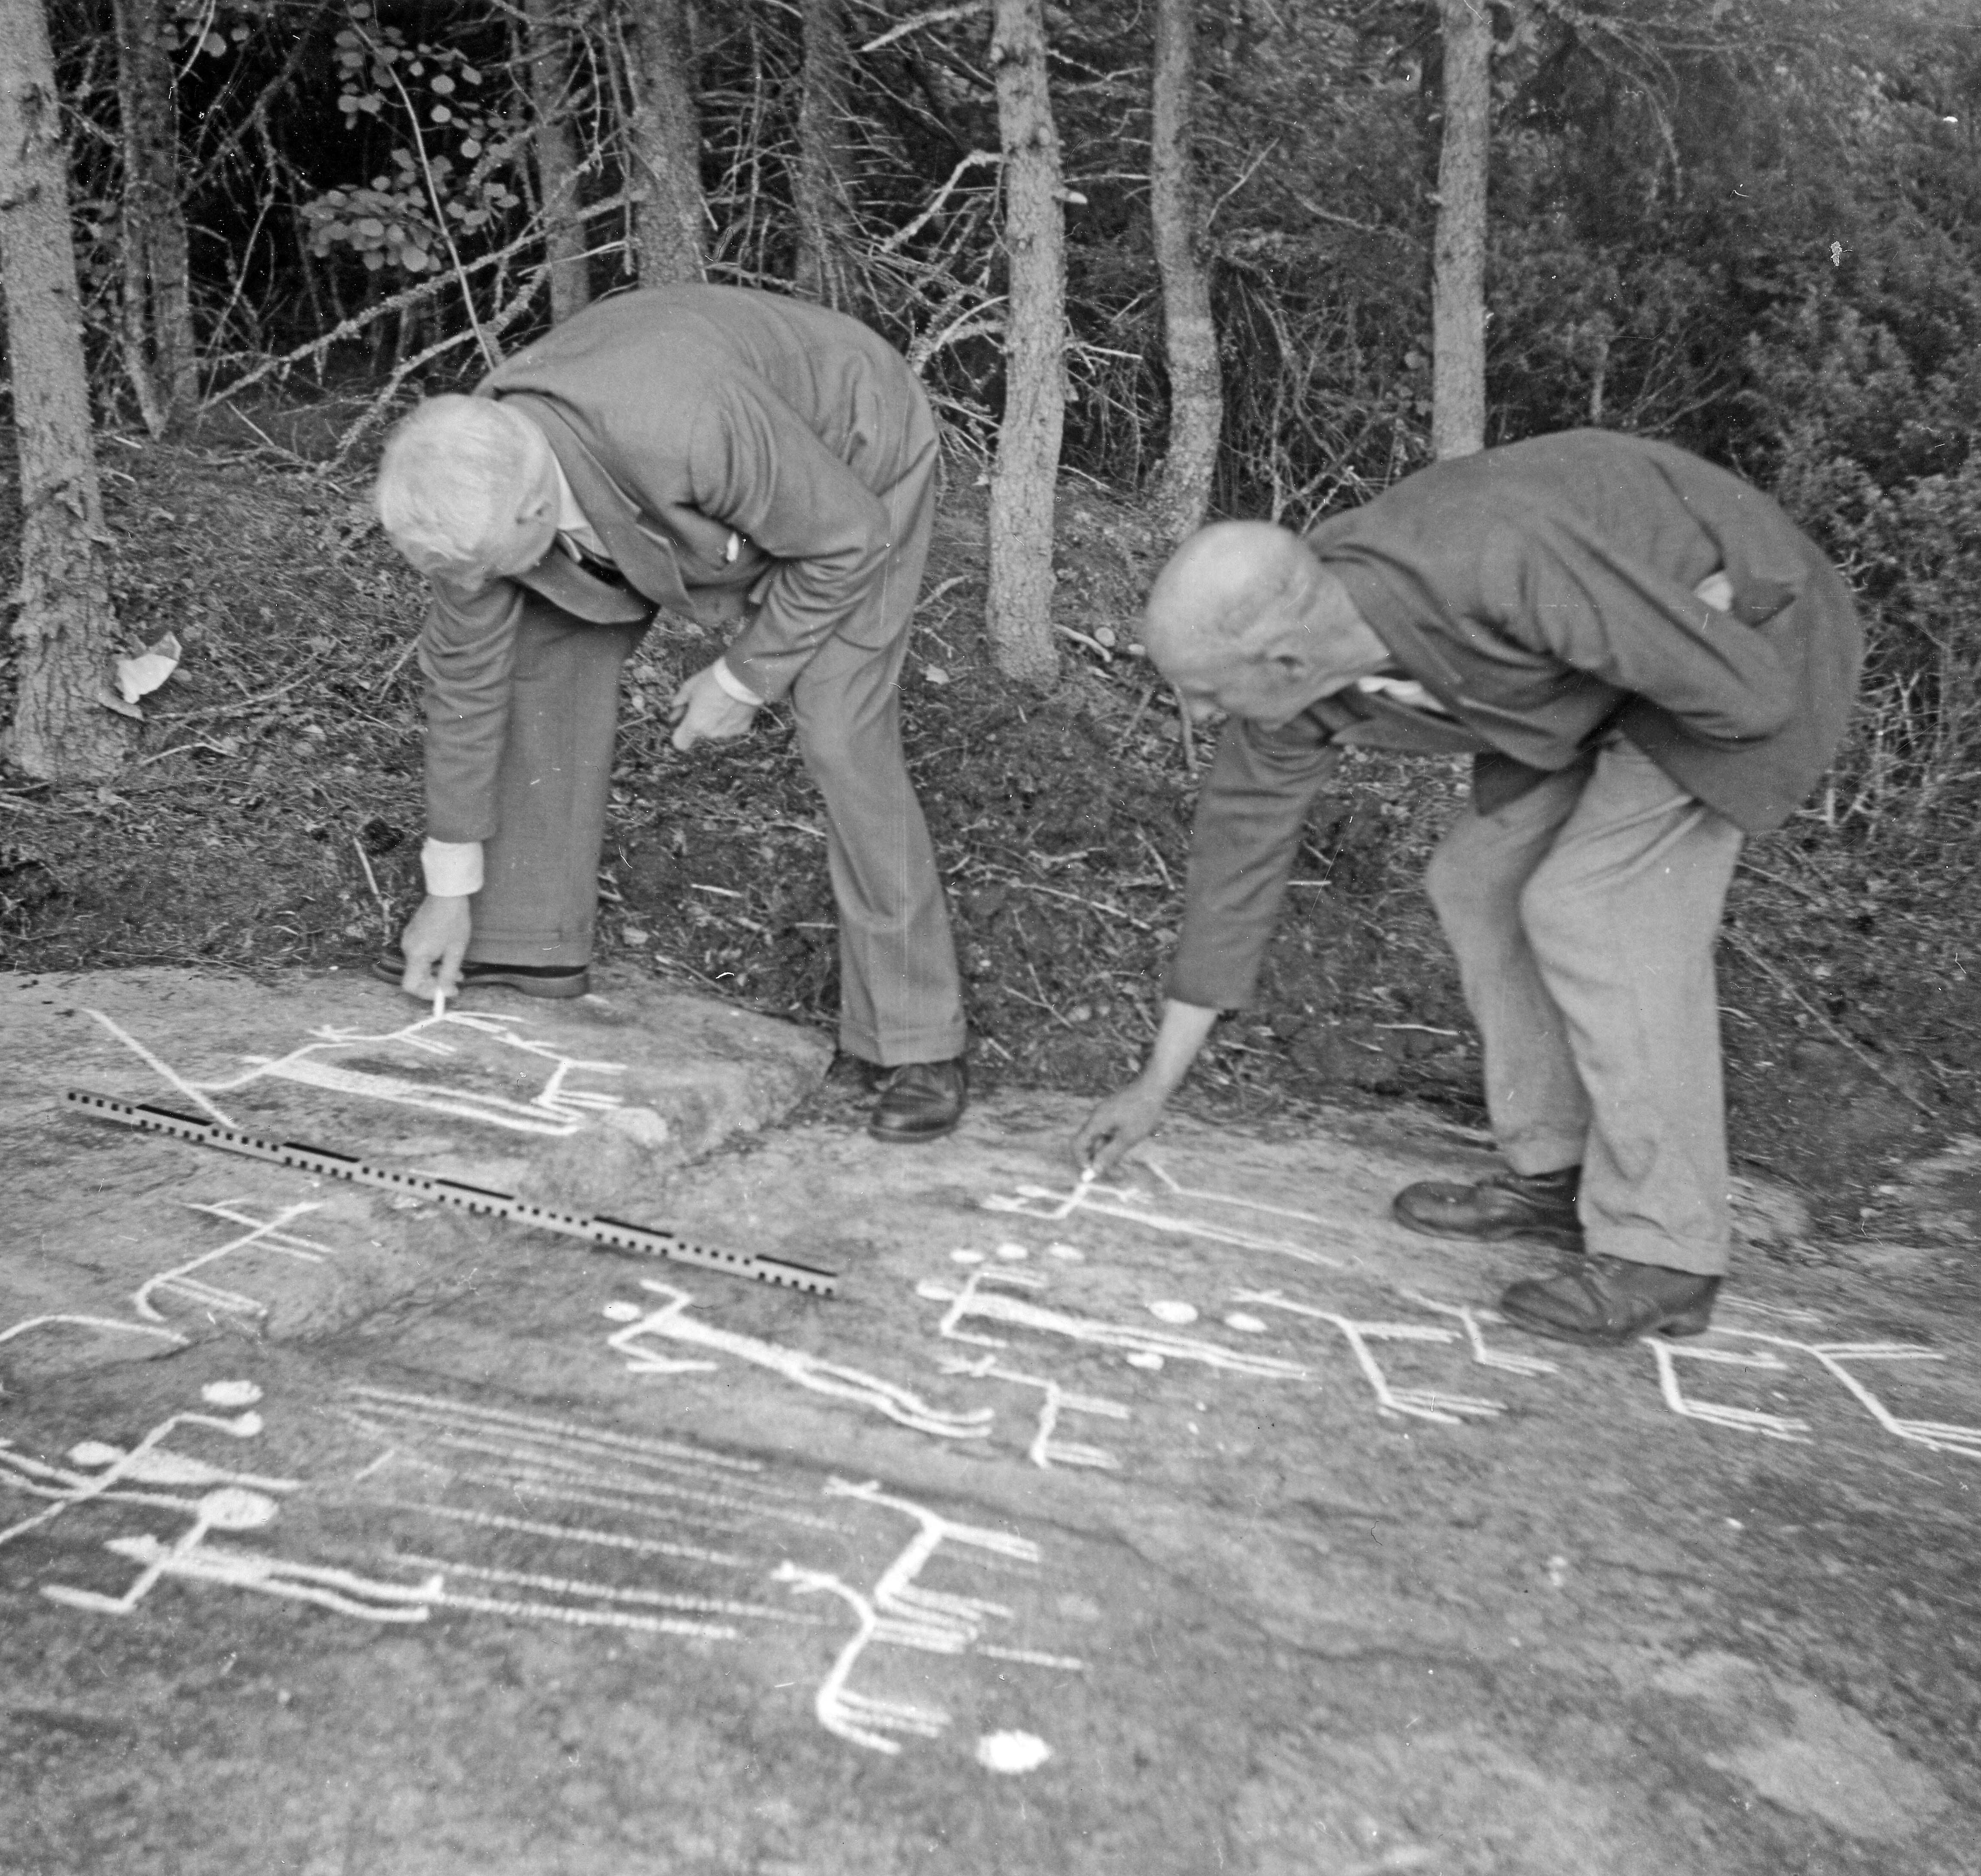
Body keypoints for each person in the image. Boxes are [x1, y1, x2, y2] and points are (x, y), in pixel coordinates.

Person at [1073, 429, 1861, 1345]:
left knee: (1591, 903)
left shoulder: (1491, 562)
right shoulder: (1292, 682)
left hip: (1743, 638)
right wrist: (1153, 1086)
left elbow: (1749, 695)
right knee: (1476, 878)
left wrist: (1675, 647)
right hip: (1603, 678)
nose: (1198, 716)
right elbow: (1231, 875)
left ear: (1280, 662)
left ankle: (1666, 1250)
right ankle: (1556, 1175)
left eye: (1204, 693)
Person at [371, 285, 968, 1143]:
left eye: (480, 572)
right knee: (542, 648)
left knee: (839, 724)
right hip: (673, 494)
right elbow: (464, 690)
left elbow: (847, 539)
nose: (467, 592)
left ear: (539, 514)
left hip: (847, 460)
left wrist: (743, 677)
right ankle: (517, 934)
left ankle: (917, 1038)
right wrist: (447, 892)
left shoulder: (685, 425)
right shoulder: (477, 480)